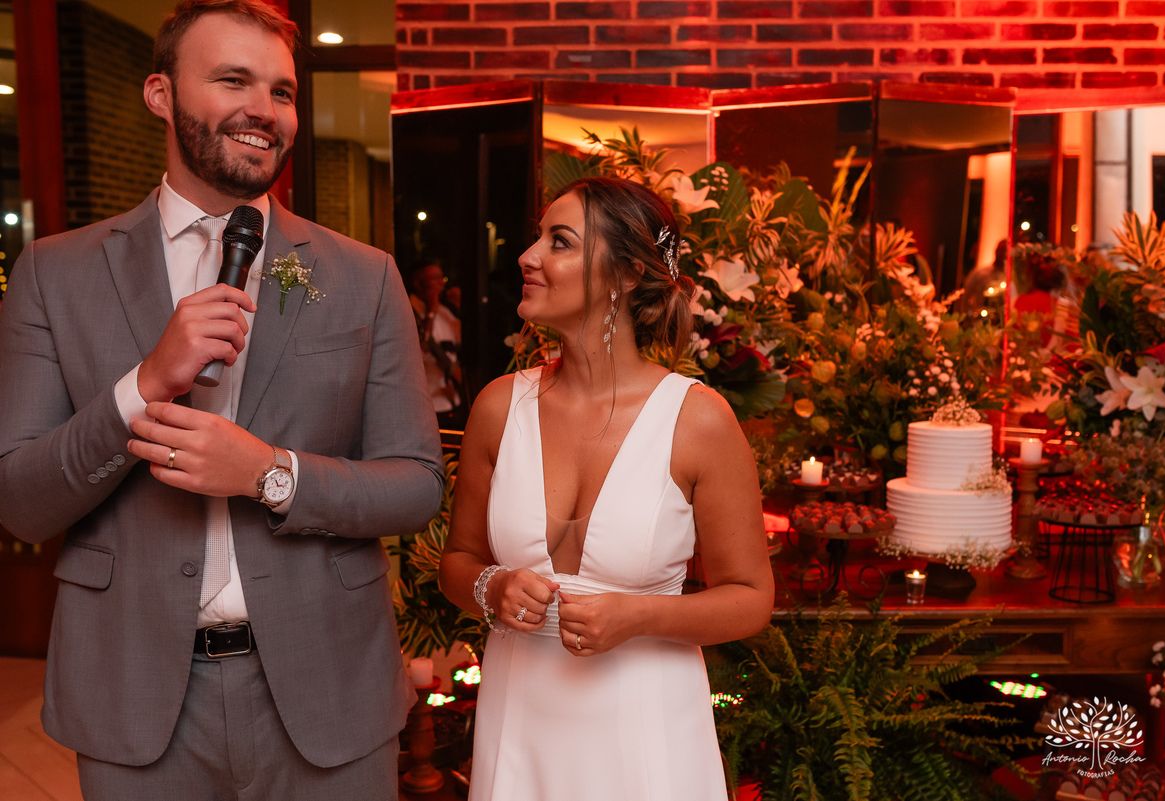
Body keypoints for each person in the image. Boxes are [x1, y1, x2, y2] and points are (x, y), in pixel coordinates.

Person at [0, 2, 443, 798]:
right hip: (134, 696)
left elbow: (414, 481)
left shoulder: (363, 275)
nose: (263, 110)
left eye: (281, 91)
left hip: (327, 685)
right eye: (232, 79)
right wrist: (142, 385)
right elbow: (22, 503)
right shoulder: (52, 273)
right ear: (160, 94)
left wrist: (270, 473)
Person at [438, 177, 775, 800]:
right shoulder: (497, 407)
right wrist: (495, 585)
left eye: (558, 241)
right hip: (521, 725)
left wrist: (639, 614)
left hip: (645, 730)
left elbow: (751, 598)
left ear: (623, 274)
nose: (527, 256)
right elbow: (456, 564)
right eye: (537, 237)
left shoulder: (697, 420)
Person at [410, 261, 466, 429]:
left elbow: (459, 343)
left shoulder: (445, 310)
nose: (441, 283)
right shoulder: (410, 310)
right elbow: (423, 347)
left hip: (450, 396)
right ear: (419, 284)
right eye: (435, 278)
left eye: (442, 278)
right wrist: (431, 310)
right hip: (427, 400)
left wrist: (457, 306)